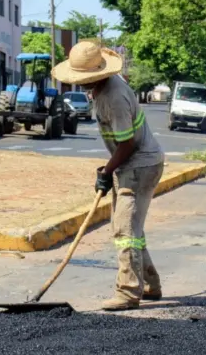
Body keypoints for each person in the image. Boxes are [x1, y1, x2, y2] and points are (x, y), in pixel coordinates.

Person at [52, 41, 166, 311]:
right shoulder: (103, 88)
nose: (80, 84)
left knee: (124, 229)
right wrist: (110, 169)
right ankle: (150, 284)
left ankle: (128, 291)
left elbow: (127, 144)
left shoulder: (112, 97)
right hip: (131, 163)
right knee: (132, 227)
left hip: (140, 164)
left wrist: (108, 170)